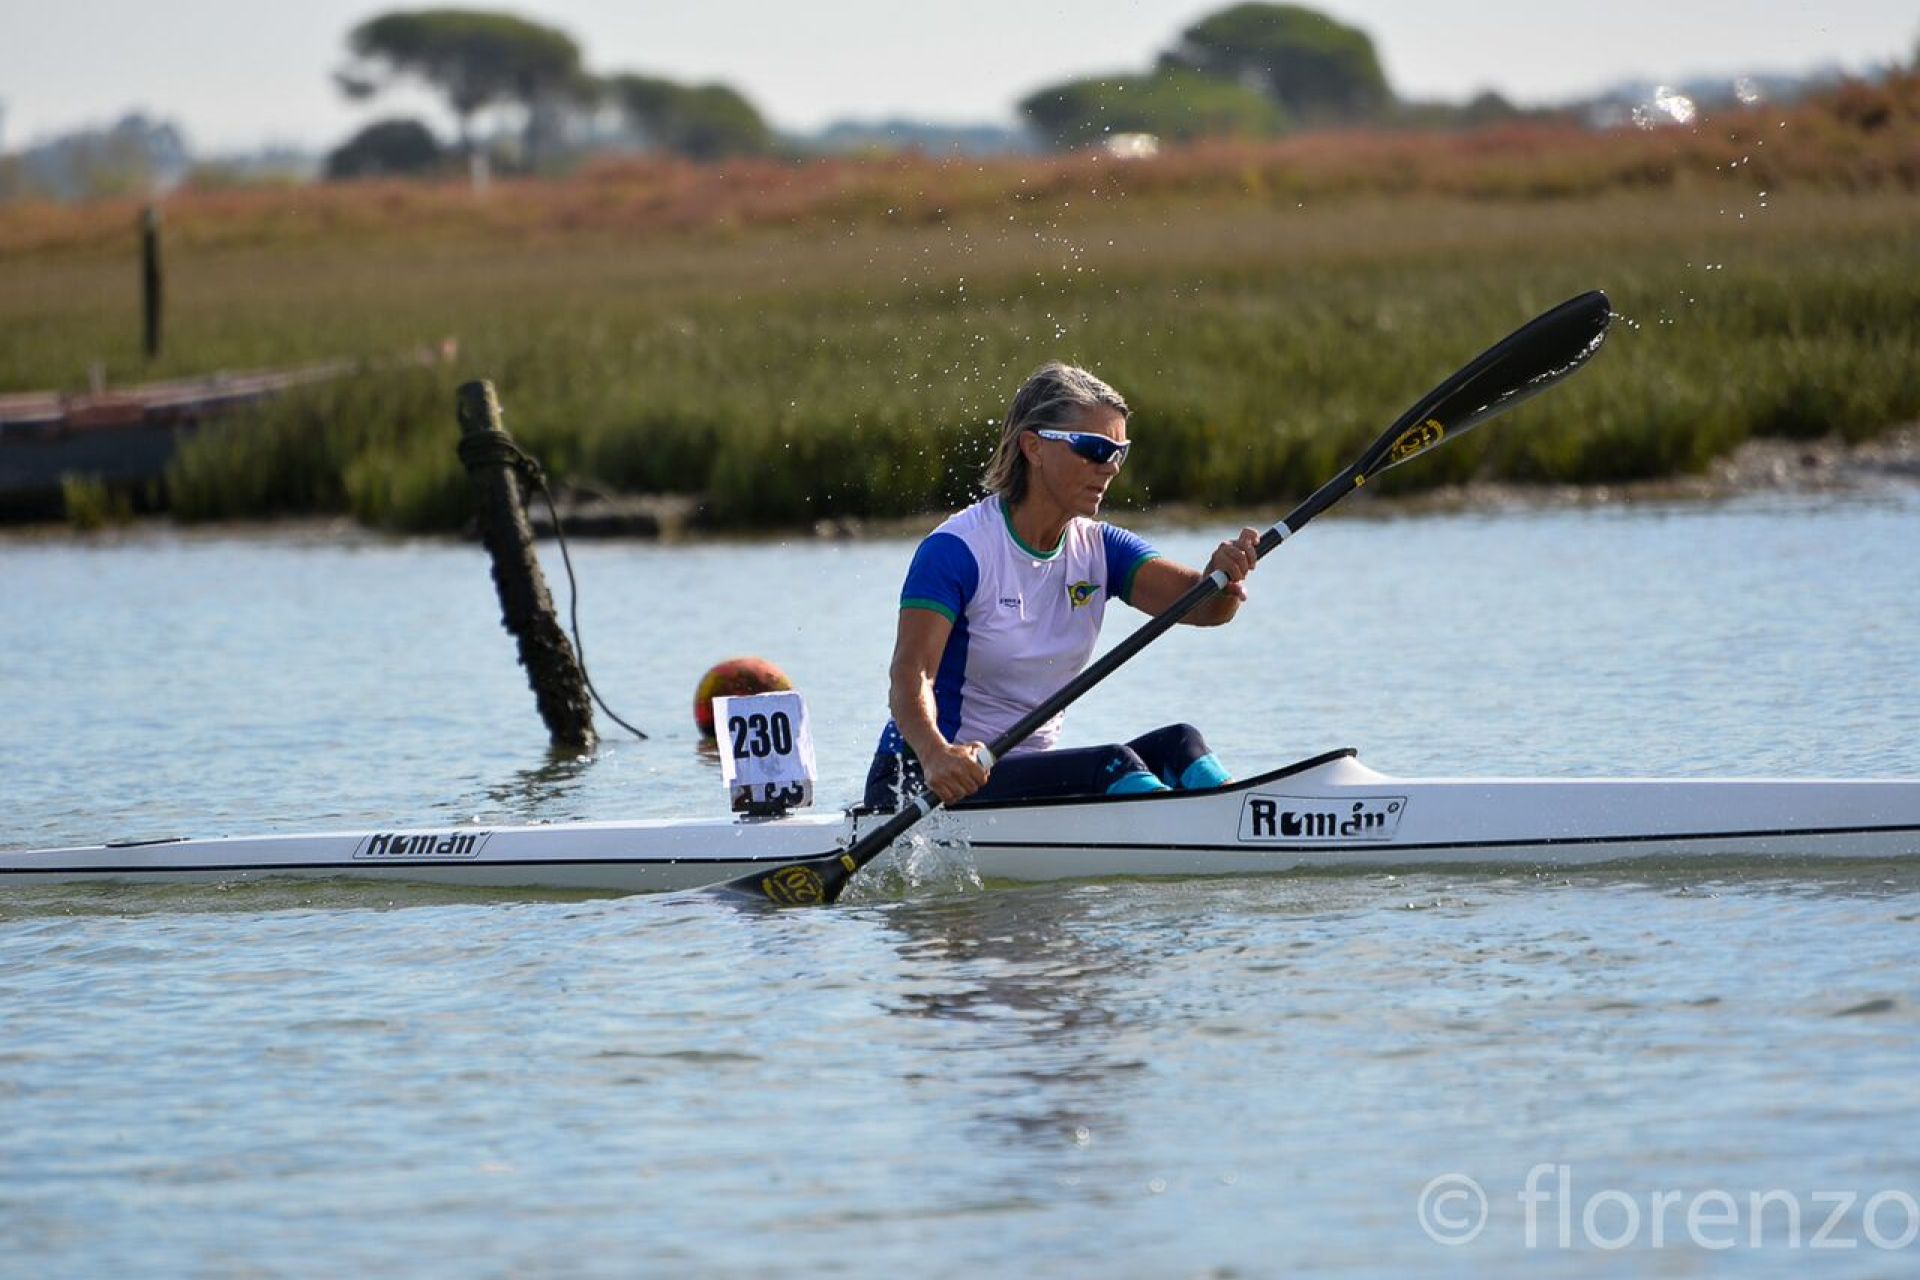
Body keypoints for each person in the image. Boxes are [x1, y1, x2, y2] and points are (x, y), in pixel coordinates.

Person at [863, 361, 1260, 812]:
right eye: (1094, 449)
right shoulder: (958, 550)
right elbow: (910, 675)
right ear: (1033, 447)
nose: (1109, 468)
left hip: (1022, 779)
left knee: (1181, 745)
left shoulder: (1102, 549)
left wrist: (1223, 577)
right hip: (926, 779)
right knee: (1112, 766)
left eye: (1119, 453)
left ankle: (1239, 817)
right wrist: (936, 753)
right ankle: (1188, 824)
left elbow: (1203, 608)